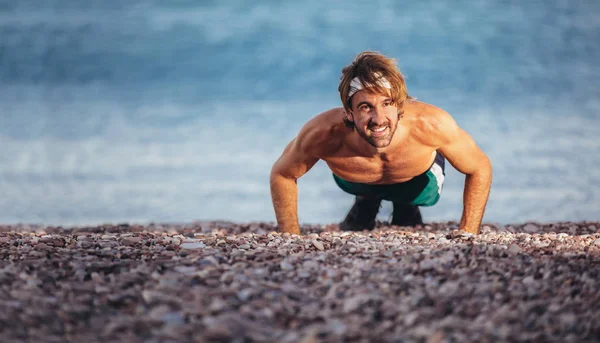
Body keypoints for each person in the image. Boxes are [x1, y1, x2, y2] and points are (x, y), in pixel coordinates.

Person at [270, 51, 492, 235]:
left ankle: (405, 204)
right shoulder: (324, 133)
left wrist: (468, 232)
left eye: (387, 103)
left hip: (416, 182)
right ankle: (367, 198)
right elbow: (283, 174)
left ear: (400, 105)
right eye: (366, 107)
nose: (378, 119)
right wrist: (291, 235)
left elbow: (479, 167)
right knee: (361, 187)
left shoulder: (430, 124)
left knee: (411, 202)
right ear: (348, 113)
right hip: (356, 179)